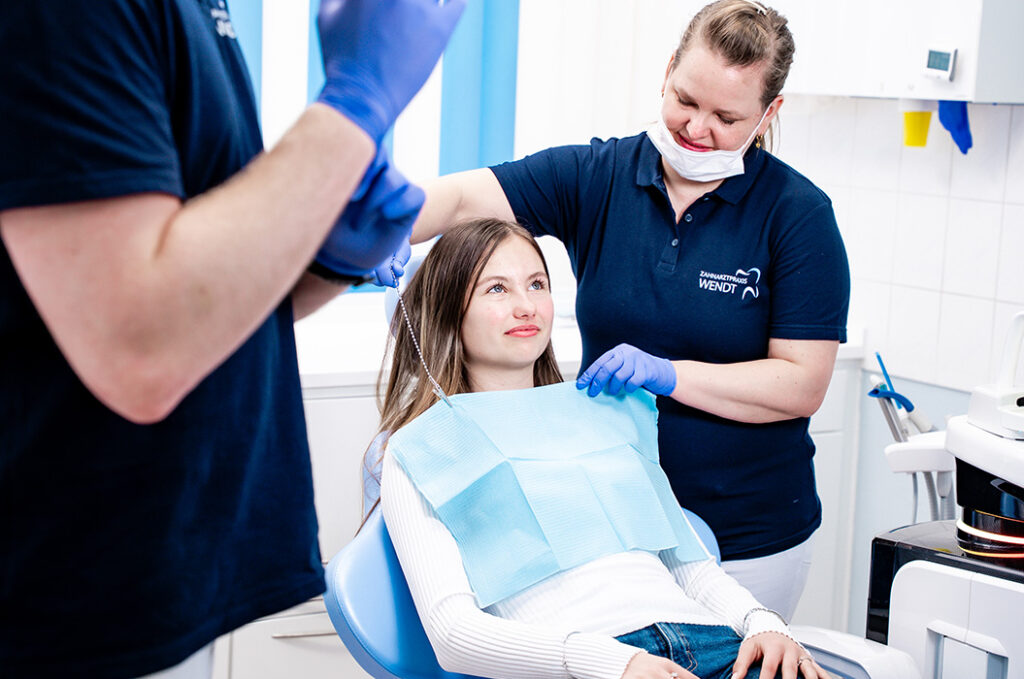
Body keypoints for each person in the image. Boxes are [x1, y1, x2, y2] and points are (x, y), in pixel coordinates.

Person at [0, 0, 463, 676]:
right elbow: (139, 343)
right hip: (59, 600)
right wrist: (354, 104)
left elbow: (190, 295)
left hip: (160, 580)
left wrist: (324, 261)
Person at [407, 0, 850, 618]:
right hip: (619, 528)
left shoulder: (796, 215)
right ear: (668, 70)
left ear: (769, 113)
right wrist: (376, 232)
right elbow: (457, 201)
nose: (697, 128)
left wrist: (669, 373)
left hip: (750, 532)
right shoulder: (599, 177)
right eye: (686, 99)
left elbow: (802, 384)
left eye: (727, 117)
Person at [370, 218, 830, 679]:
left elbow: (691, 570)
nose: (526, 306)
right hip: (594, 662)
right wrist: (614, 663)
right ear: (450, 310)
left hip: (714, 642)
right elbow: (454, 636)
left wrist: (764, 625)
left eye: (536, 284)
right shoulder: (422, 448)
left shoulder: (608, 412)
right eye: (496, 289)